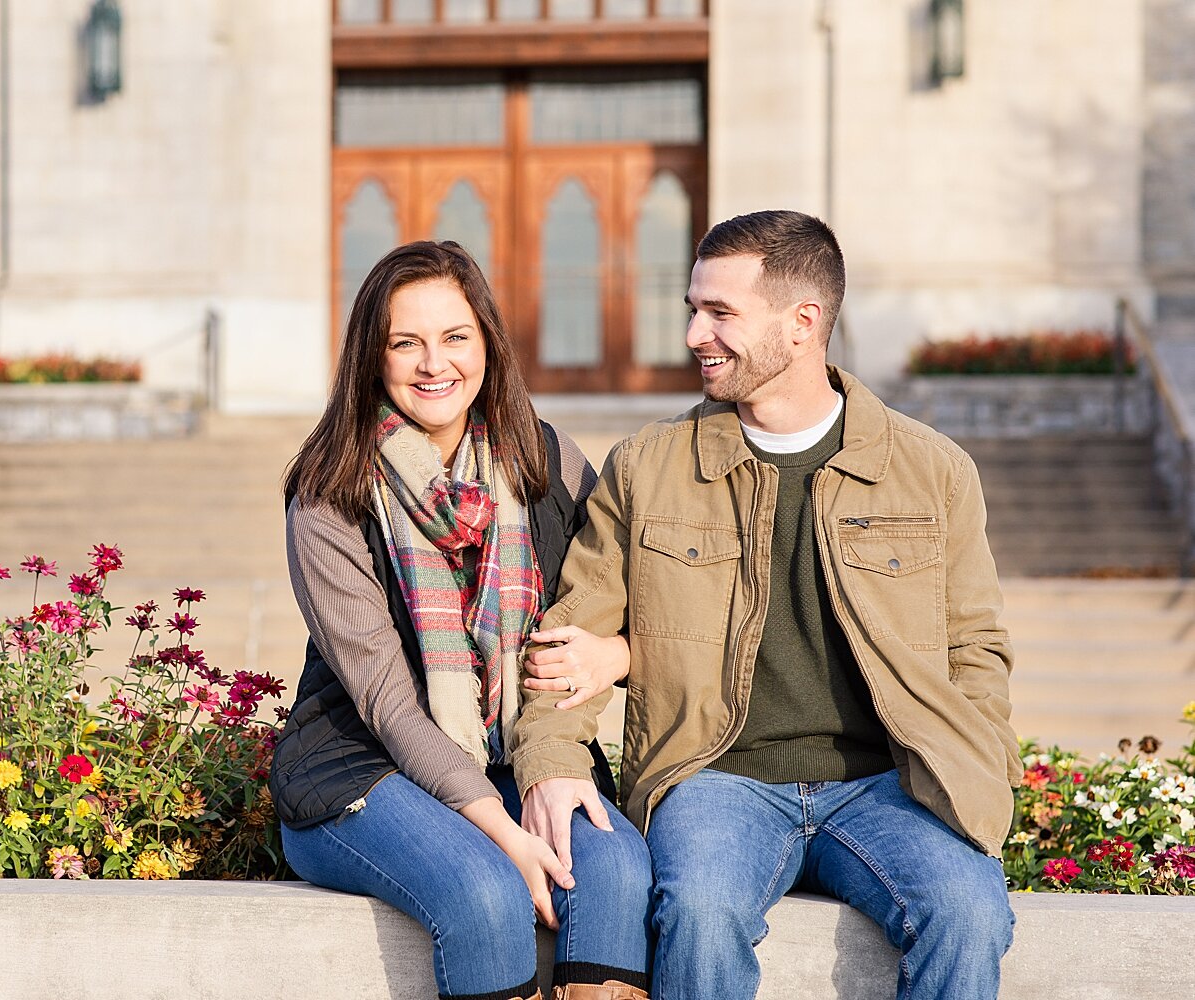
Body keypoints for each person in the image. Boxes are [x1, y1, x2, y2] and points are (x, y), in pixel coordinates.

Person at [513, 211, 1019, 1000]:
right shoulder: (648, 468)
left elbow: (976, 647)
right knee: (700, 911)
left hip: (890, 784)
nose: (693, 334)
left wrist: (980, 765)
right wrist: (550, 763)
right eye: (692, 309)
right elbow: (568, 639)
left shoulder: (932, 471)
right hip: (716, 778)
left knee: (969, 911)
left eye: (720, 313)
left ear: (801, 324)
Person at [271, 240, 653, 1000]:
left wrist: (614, 655)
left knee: (616, 870)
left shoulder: (547, 462)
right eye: (403, 342)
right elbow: (385, 703)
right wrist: (508, 835)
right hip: (360, 766)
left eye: (454, 337)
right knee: (483, 891)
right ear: (371, 360)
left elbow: (646, 604)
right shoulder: (329, 495)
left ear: (487, 344)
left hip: (514, 753)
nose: (432, 363)